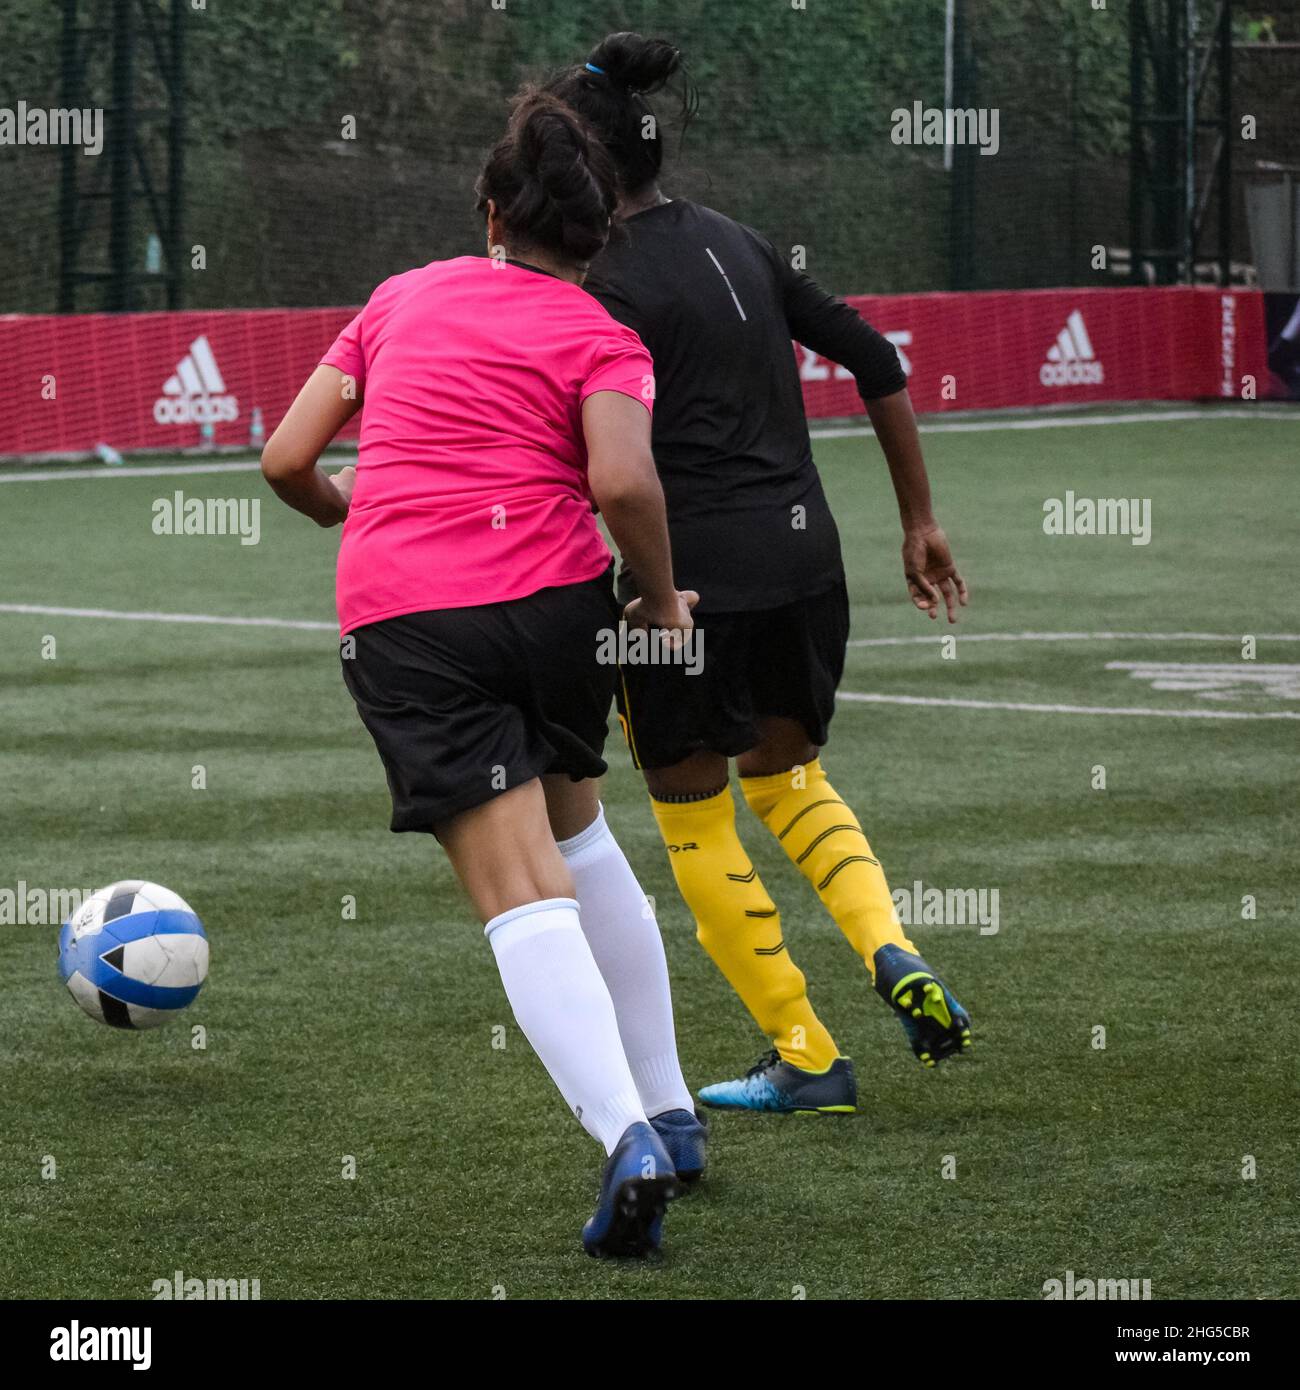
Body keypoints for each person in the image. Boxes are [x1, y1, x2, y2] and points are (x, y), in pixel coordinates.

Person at [260, 89, 705, 1255]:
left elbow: (285, 457)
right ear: (595, 236)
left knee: (519, 888)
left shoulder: (402, 298)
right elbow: (620, 484)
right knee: (578, 834)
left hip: (414, 617)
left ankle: (628, 1139)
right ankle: (671, 1105)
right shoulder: (606, 337)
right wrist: (658, 602)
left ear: (489, 210)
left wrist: (348, 510)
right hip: (558, 613)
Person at [544, 34, 973, 1115]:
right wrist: (918, 520)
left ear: (582, 174)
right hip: (806, 564)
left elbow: (607, 460)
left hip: (683, 587)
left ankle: (805, 1052)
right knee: (791, 782)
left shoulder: (596, 286)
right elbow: (878, 361)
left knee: (696, 821)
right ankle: (891, 947)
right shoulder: (739, 241)